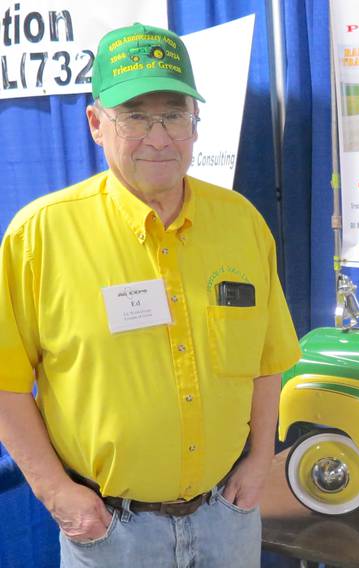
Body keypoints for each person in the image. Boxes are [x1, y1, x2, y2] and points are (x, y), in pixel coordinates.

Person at [0, 22, 300, 567]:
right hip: (112, 534)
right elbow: (5, 383)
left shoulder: (242, 224)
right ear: (96, 123)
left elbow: (267, 359)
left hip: (226, 520)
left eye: (174, 113)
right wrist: (56, 494)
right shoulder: (38, 236)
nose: (158, 136)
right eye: (135, 115)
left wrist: (261, 459)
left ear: (195, 122)